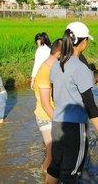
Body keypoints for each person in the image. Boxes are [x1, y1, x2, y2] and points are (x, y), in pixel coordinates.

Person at [46, 22, 98, 184]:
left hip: (57, 123)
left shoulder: (56, 66)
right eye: (87, 40)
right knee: (71, 173)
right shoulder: (80, 68)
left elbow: (56, 94)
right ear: (82, 42)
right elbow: (91, 106)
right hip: (75, 128)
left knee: (55, 167)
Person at [33, 39, 62, 172]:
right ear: (59, 54)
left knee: (53, 151)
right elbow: (45, 104)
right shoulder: (45, 72)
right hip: (45, 116)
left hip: (49, 114)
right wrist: (61, 122)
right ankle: (45, 175)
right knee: (51, 152)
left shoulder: (51, 67)